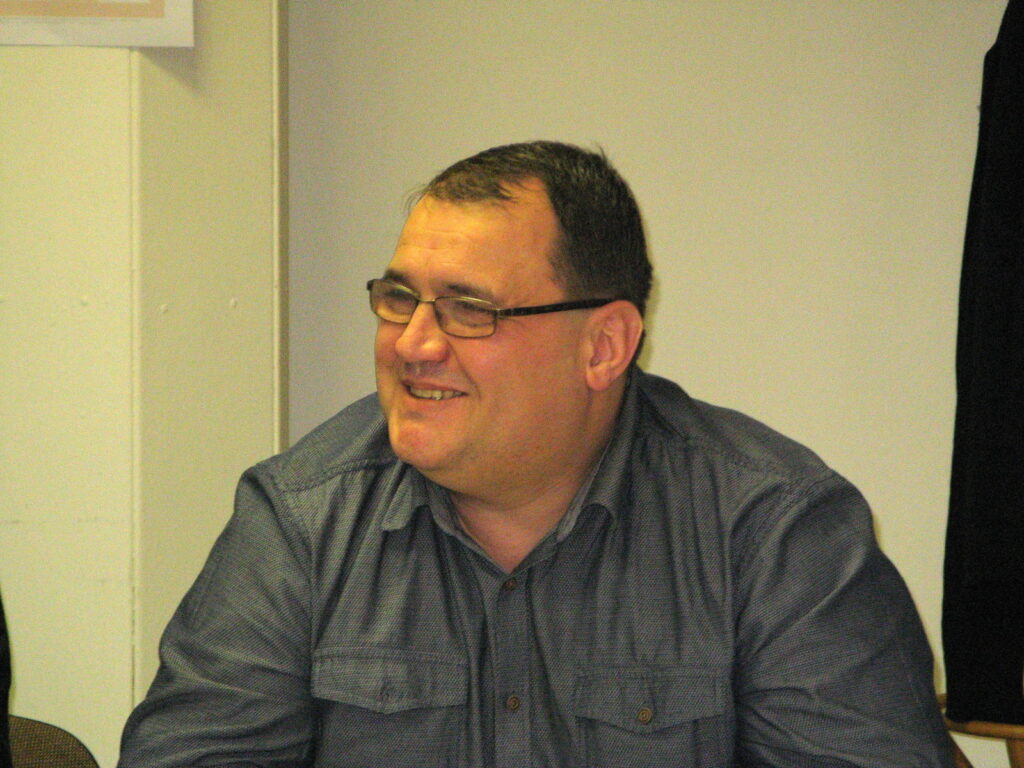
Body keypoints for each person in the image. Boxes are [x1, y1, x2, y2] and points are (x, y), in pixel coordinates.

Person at [119, 141, 953, 767]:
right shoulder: (301, 519)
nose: (412, 344)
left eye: (468, 310)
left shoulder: (774, 531)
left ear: (604, 346)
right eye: (399, 298)